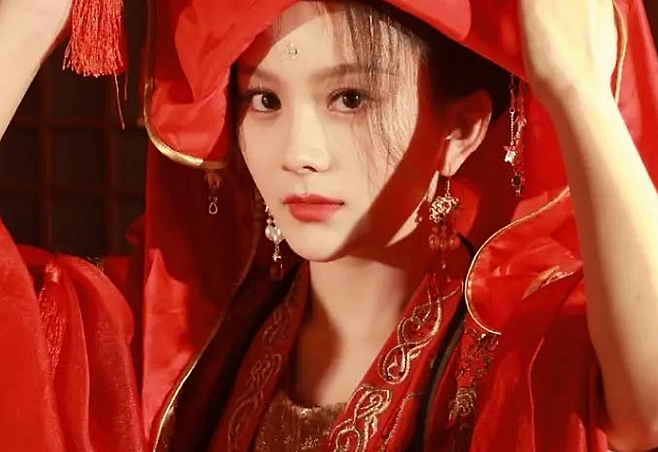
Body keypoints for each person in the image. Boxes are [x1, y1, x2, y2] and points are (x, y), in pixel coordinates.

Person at [1, 0, 658, 451]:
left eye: (350, 98)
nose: (299, 152)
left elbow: (648, 410)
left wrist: (577, 89)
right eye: (264, 100)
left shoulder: (519, 343)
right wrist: (30, 20)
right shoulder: (180, 344)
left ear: (460, 130)